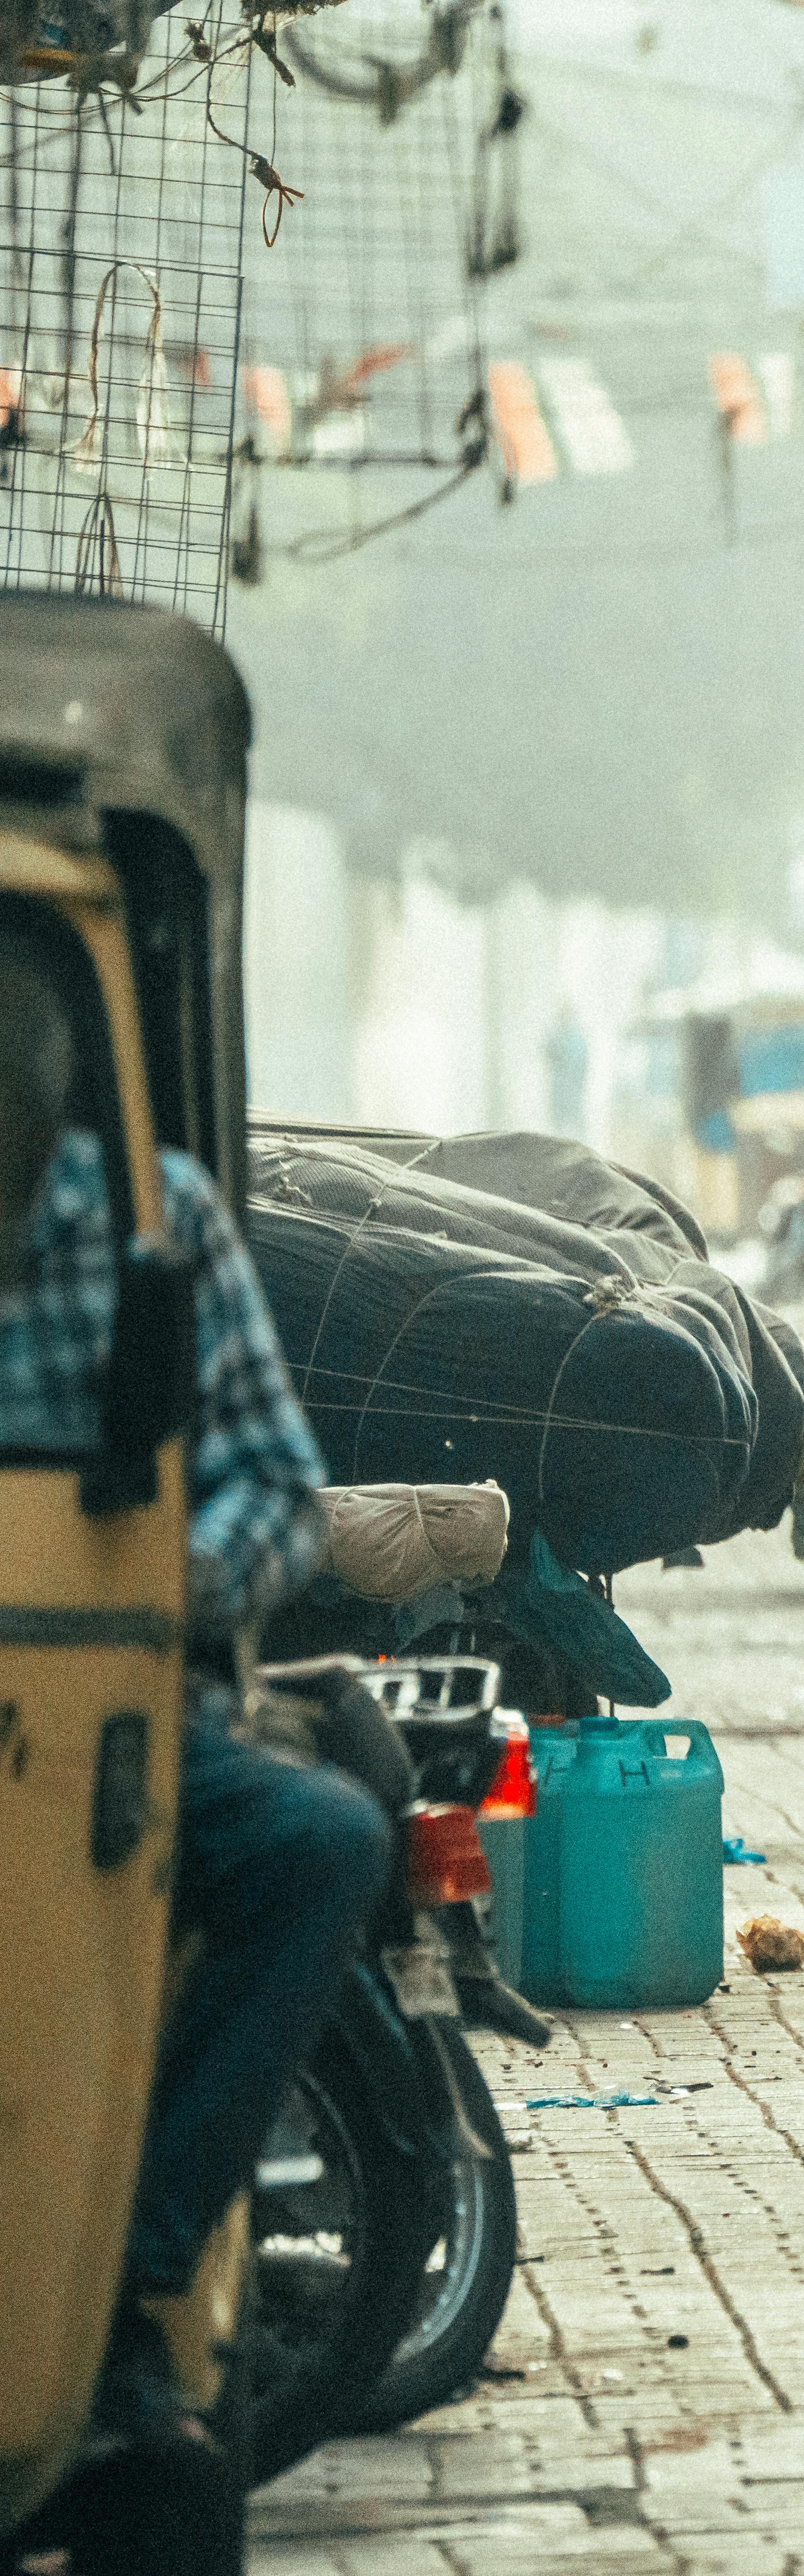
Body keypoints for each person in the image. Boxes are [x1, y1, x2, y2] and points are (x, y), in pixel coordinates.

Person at [0, 930, 382, 2458]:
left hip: (110, 1703)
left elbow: (281, 1492)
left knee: (325, 1842)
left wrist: (162, 1586)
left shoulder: (159, 1224)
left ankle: (134, 2263)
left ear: (54, 1108)